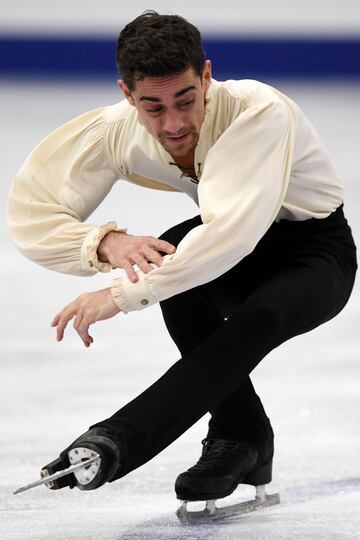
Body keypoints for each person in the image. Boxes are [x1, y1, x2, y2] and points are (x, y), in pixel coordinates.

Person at [8, 11, 357, 507]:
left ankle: (117, 440)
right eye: (152, 106)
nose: (173, 123)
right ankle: (241, 436)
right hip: (230, 246)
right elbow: (30, 208)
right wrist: (106, 244)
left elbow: (229, 235)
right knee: (168, 260)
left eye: (186, 100)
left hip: (316, 253)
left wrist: (120, 293)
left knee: (254, 319)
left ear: (207, 75)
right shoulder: (116, 131)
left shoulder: (258, 111)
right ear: (127, 94)